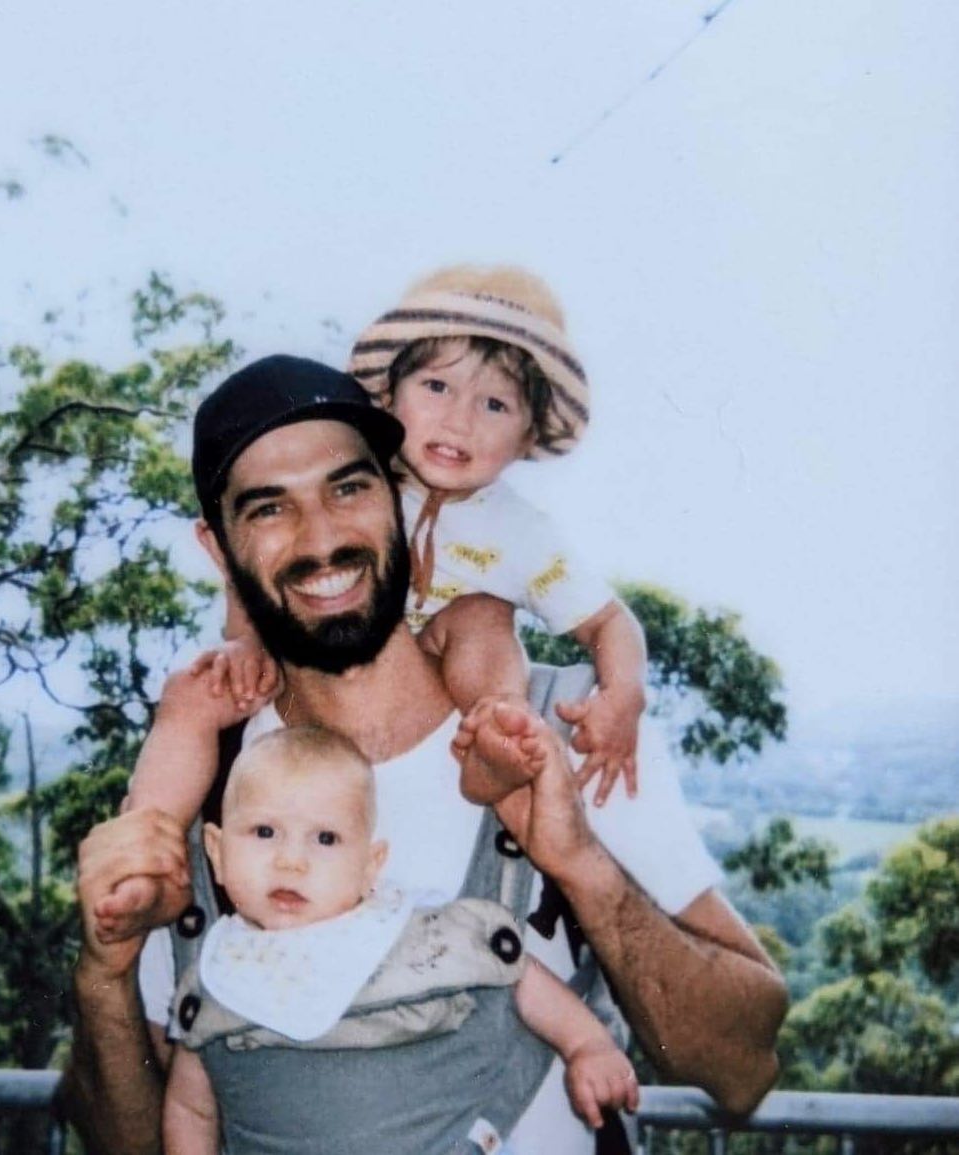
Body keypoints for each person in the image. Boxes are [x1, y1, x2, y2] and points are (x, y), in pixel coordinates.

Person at [62, 354, 788, 1155]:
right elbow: (124, 1138)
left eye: (350, 487)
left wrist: (577, 859)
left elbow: (742, 1064)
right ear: (217, 544)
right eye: (269, 508)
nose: (323, 538)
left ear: (400, 501)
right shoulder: (202, 779)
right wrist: (105, 972)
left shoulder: (570, 729)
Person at [106, 265, 645, 940]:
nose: (458, 420)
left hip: (449, 664)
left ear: (528, 436)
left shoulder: (520, 531)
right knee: (191, 692)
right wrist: (245, 640)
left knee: (483, 614)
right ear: (391, 397)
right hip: (319, 653)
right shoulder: (370, 465)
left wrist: (623, 694)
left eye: (495, 406)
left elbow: (606, 620)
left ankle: (493, 739)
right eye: (437, 387)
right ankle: (145, 851)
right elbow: (255, 559)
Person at [163, 725, 638, 1155]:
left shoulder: (410, 933)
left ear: (370, 866)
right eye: (265, 832)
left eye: (325, 839)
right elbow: (191, 1107)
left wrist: (586, 1045)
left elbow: (516, 975)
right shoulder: (218, 975)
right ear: (218, 854)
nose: (292, 860)